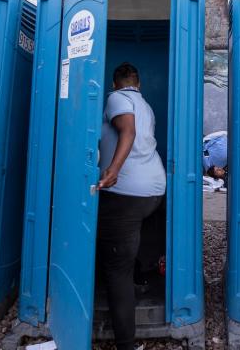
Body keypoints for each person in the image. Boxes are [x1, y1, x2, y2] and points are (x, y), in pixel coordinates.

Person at [96, 62, 166, 350]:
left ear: (115, 83)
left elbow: (128, 131)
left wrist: (112, 169)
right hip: (154, 191)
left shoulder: (116, 99)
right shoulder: (144, 103)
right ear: (138, 82)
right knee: (128, 251)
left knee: (117, 270)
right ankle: (142, 274)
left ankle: (125, 344)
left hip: (126, 192)